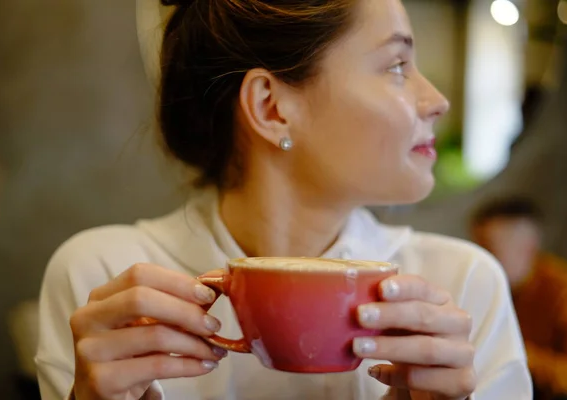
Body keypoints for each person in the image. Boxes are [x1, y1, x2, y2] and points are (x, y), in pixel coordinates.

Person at [34, 0, 533, 399]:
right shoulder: (105, 281)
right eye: (398, 65)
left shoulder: (462, 289)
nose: (437, 100)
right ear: (271, 108)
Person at [471, 197, 567, 400]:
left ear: (528, 249)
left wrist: (514, 353)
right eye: (478, 249)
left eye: (492, 251)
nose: (482, 260)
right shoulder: (484, 288)